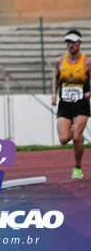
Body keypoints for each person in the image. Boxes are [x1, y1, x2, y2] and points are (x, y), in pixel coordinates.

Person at [52, 29, 91, 179]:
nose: (71, 45)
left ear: (80, 43)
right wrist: (54, 95)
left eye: (73, 42)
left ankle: (78, 167)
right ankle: (75, 129)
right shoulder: (60, 61)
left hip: (81, 104)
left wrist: (90, 93)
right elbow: (56, 78)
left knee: (76, 138)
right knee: (63, 139)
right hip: (65, 104)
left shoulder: (87, 62)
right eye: (68, 42)